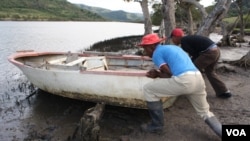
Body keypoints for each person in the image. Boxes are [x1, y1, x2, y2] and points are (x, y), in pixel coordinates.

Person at [137, 33, 222, 137]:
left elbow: (170, 74)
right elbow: (175, 70)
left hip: (185, 80)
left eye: (145, 49)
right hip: (198, 78)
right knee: (205, 112)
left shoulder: (156, 53)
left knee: (149, 89)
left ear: (151, 47)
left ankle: (157, 126)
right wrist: (159, 74)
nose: (145, 52)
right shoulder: (173, 48)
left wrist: (157, 74)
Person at [170, 28, 232, 98]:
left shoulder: (184, 42)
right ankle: (224, 92)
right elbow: (195, 54)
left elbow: (195, 54)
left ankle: (192, 91)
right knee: (210, 72)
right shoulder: (188, 39)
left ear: (176, 37)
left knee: (191, 71)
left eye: (172, 38)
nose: (172, 41)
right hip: (216, 50)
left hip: (209, 53)